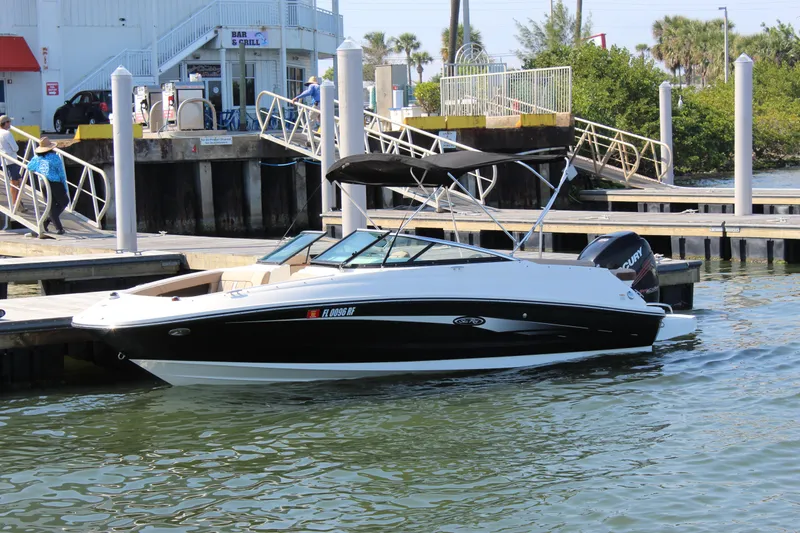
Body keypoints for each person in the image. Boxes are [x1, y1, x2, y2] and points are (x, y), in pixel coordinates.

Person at [26, 137, 68, 235]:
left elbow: (29, 167)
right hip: (55, 183)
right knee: (64, 202)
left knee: (50, 205)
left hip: (43, 183)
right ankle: (50, 223)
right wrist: (64, 186)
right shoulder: (54, 157)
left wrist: (39, 169)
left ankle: (52, 226)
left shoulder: (37, 158)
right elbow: (61, 173)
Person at [0, 115, 25, 212]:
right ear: (5, 123)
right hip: (11, 160)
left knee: (18, 180)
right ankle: (15, 203)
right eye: (9, 122)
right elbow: (16, 148)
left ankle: (18, 202)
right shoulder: (7, 133)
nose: (10, 124)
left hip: (4, 160)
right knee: (14, 182)